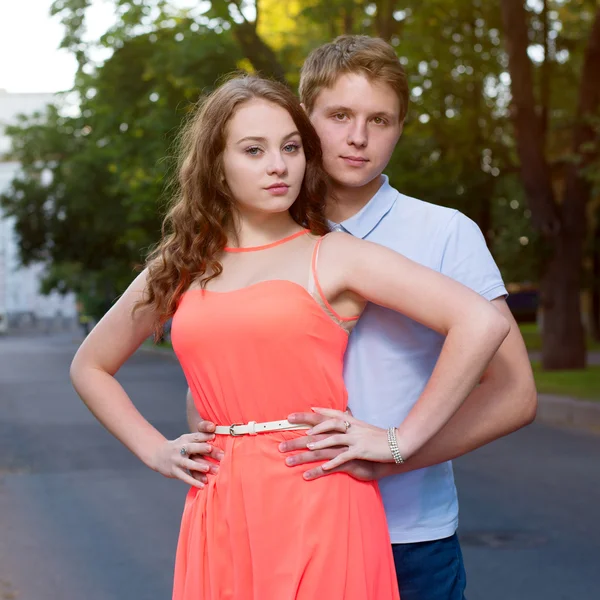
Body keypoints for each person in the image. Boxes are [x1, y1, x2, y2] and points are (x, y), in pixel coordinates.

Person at [70, 74, 509, 599]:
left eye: (291, 147)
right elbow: (90, 366)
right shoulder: (182, 264)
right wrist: (156, 451)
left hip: (320, 497)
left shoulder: (335, 253)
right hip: (221, 505)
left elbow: (481, 321)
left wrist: (398, 442)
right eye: (253, 150)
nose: (279, 166)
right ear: (216, 164)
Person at [186, 36, 538, 600]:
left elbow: (515, 395)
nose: (358, 137)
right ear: (304, 120)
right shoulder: (261, 228)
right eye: (339, 115)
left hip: (409, 538)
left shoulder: (444, 232)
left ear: (400, 128)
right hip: (280, 527)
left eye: (381, 120)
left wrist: (396, 450)